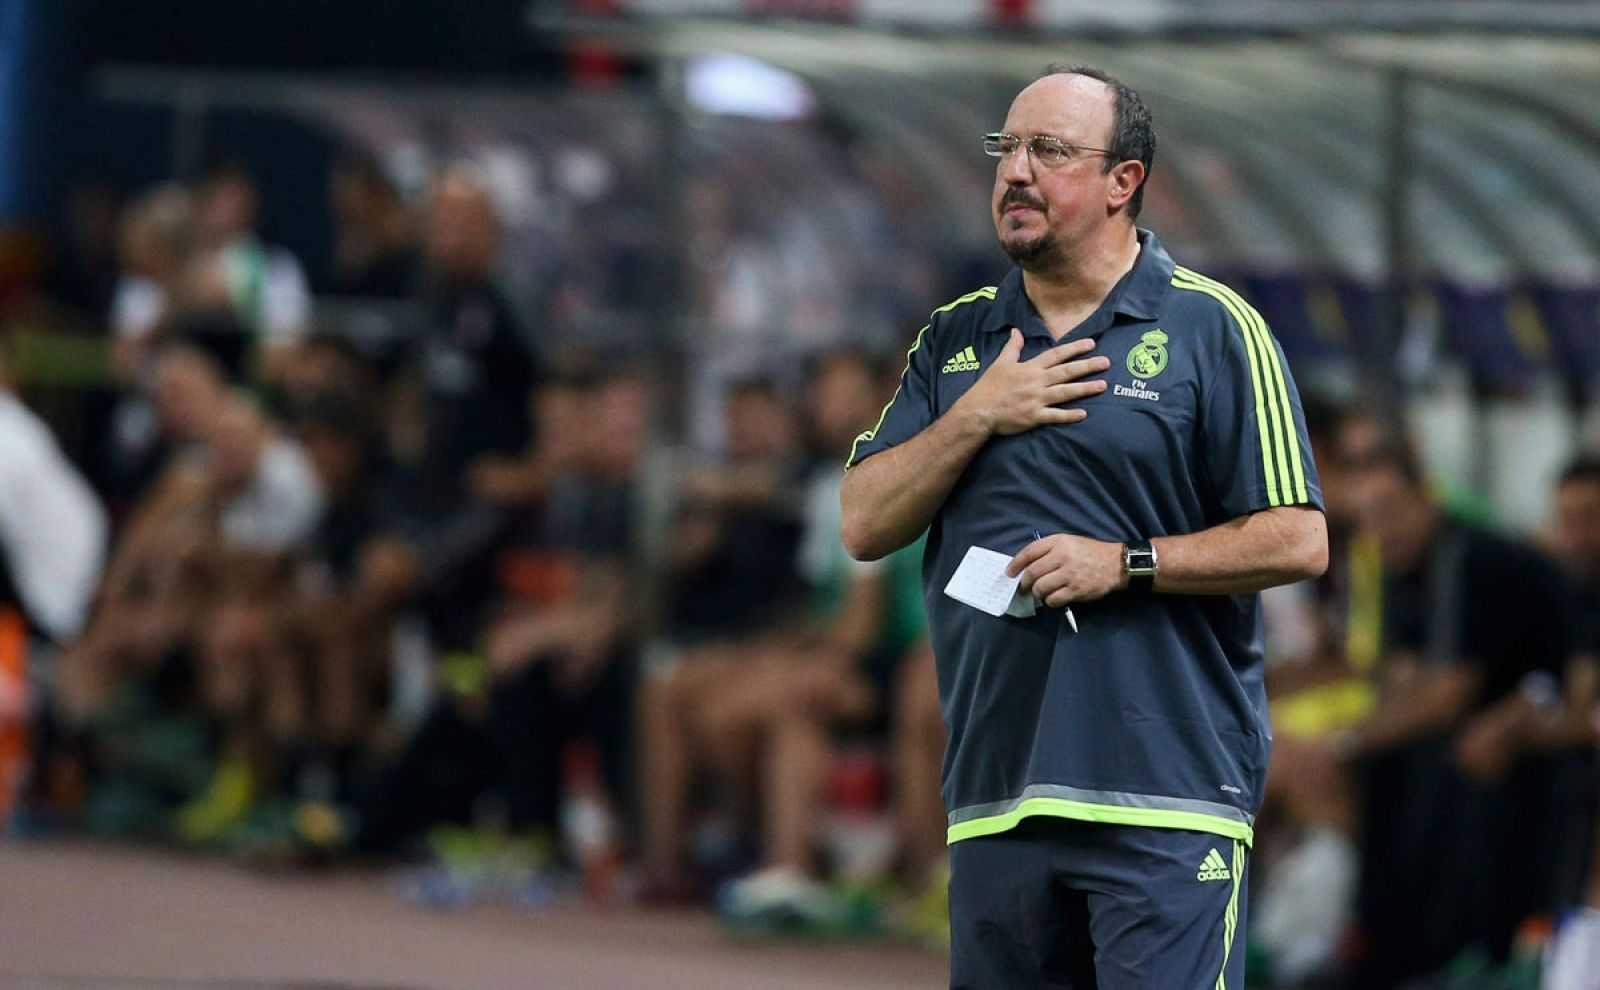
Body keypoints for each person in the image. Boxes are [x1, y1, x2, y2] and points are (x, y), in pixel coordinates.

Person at [839, 65, 1327, 988]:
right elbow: (863, 521)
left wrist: (1127, 563)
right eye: (1008, 149)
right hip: (997, 794)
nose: (1016, 171)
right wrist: (980, 411)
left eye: (1050, 151)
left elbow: (1298, 536)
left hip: (1167, 794)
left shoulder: (1215, 329)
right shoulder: (959, 339)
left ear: (1122, 182)